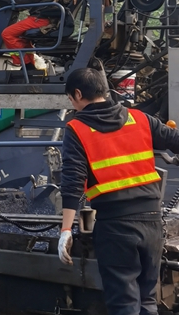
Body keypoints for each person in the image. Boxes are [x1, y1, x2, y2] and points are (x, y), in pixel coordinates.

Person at [58, 67, 179, 315]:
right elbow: (174, 138)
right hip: (152, 224)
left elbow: (72, 180)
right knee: (147, 301)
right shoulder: (140, 118)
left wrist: (66, 230)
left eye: (71, 98)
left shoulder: (77, 129)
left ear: (78, 94)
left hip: (116, 227)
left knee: (123, 304)